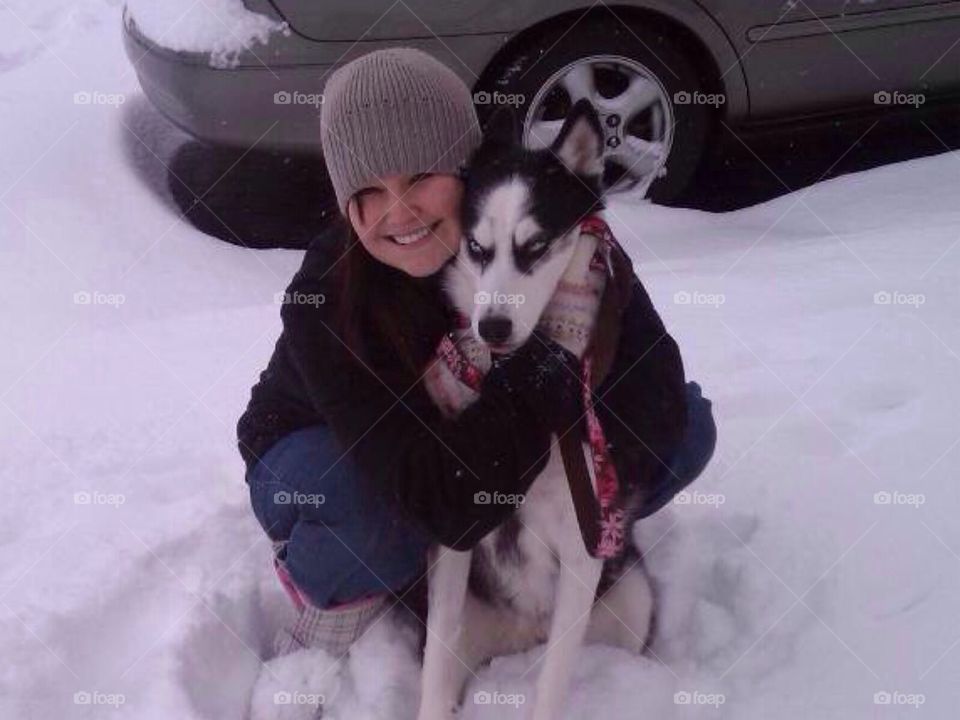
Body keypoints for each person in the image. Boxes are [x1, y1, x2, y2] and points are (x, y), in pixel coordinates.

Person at [237, 47, 716, 661]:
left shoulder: (539, 222)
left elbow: (652, 384)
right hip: (316, 448)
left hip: (468, 445)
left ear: (470, 172)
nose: (399, 212)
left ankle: (529, 532)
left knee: (687, 429)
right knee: (382, 523)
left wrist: (590, 493)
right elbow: (443, 502)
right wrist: (549, 361)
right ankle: (335, 584)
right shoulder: (325, 298)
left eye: (419, 178)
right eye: (368, 191)